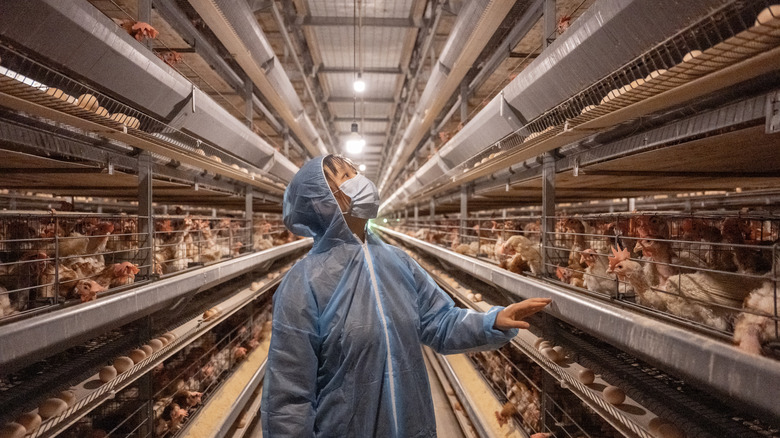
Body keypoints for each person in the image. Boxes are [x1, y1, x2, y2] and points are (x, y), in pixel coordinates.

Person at [261, 155, 552, 437]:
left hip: (413, 424)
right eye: (347, 177)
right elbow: (288, 397)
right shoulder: (302, 283)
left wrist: (493, 321)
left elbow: (440, 321)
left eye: (357, 173)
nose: (361, 181)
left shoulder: (398, 261)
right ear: (322, 201)